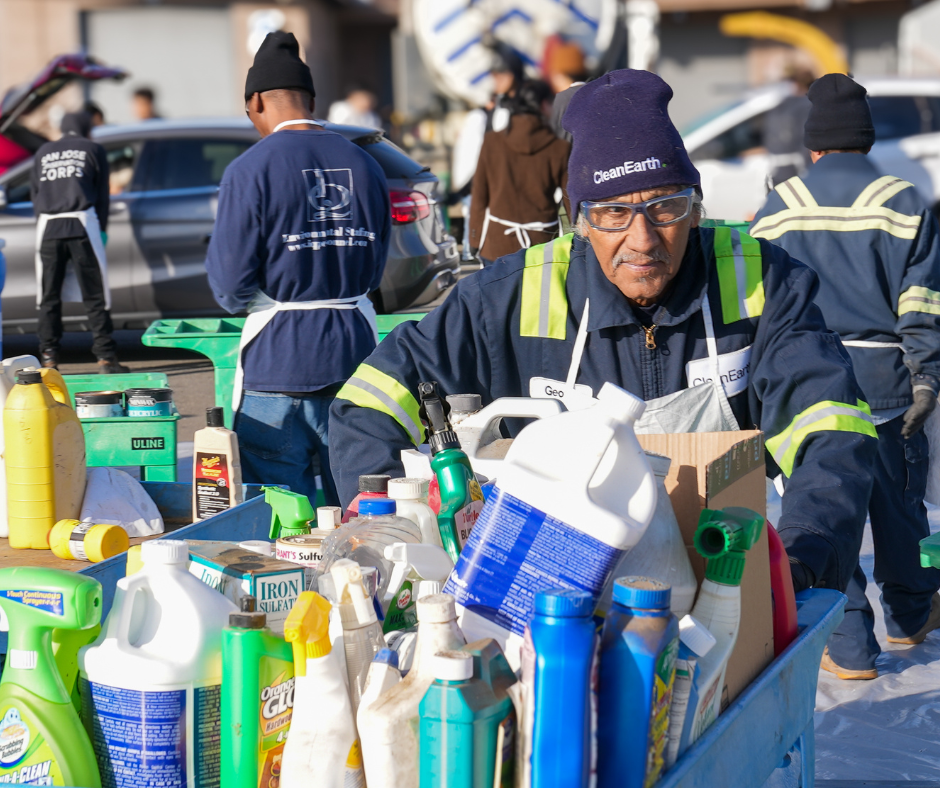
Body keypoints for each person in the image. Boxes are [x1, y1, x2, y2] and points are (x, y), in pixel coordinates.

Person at [329, 69, 879, 599]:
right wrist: (389, 531)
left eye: (665, 206)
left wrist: (804, 559)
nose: (642, 239)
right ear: (580, 222)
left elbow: (829, 425)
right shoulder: (509, 297)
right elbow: (372, 400)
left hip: (720, 575)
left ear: (695, 210)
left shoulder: (761, 281)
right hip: (547, 598)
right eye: (614, 213)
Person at [751, 73, 940, 679]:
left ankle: (852, 647)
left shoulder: (778, 208)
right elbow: (922, 304)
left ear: (813, 145)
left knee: (830, 512)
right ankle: (912, 617)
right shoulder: (907, 203)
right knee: (900, 508)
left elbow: (759, 310)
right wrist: (926, 380)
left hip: (809, 393)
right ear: (867, 139)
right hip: (887, 388)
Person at [206, 31, 390, 505]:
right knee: (358, 517)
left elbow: (229, 288)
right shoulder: (365, 164)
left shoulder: (250, 170)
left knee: (279, 520)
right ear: (311, 99)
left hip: (277, 364)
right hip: (356, 358)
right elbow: (375, 273)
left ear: (255, 102)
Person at [30, 111, 128, 372]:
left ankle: (49, 357)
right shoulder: (93, 149)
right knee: (95, 294)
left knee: (49, 296)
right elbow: (102, 197)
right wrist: (102, 230)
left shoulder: (44, 152)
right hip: (82, 223)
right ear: (86, 128)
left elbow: (34, 193)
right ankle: (106, 357)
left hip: (48, 227)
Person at [468, 80, 569, 263]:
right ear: (543, 105)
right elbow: (570, 199)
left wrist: (474, 240)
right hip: (542, 245)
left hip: (497, 245)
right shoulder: (559, 148)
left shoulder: (492, 142)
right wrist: (576, 242)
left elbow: (479, 196)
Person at [762, 67, 814, 186]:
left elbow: (806, 139)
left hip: (793, 169)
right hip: (788, 169)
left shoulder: (804, 106)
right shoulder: (787, 104)